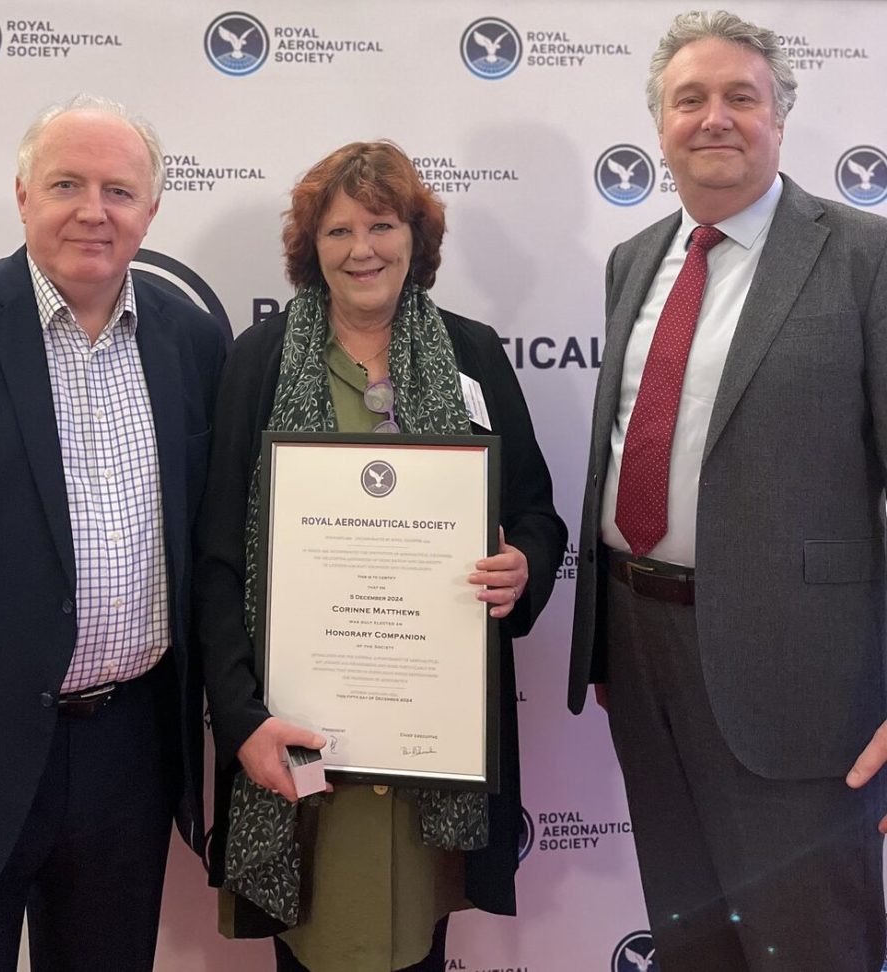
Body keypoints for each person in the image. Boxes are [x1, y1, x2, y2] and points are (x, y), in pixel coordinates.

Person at [0, 94, 227, 971]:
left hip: (126, 753)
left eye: (118, 189)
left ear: (151, 211)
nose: (92, 211)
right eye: (66, 183)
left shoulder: (191, 340)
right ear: (23, 194)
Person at [197, 140, 567, 971]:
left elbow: (536, 514)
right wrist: (242, 719)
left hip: (427, 747)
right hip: (296, 741)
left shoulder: (472, 354)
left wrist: (524, 567)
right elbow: (219, 557)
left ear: (415, 237)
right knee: (314, 938)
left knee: (413, 942)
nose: (362, 249)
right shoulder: (259, 362)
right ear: (309, 248)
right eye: (337, 232)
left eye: (382, 224)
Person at [568, 10, 887, 971]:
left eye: (740, 97)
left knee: (814, 946)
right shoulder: (634, 261)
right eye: (689, 99)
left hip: (805, 681)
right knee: (692, 934)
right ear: (659, 126)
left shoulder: (866, 259)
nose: (715, 118)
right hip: (641, 650)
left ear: (780, 119)